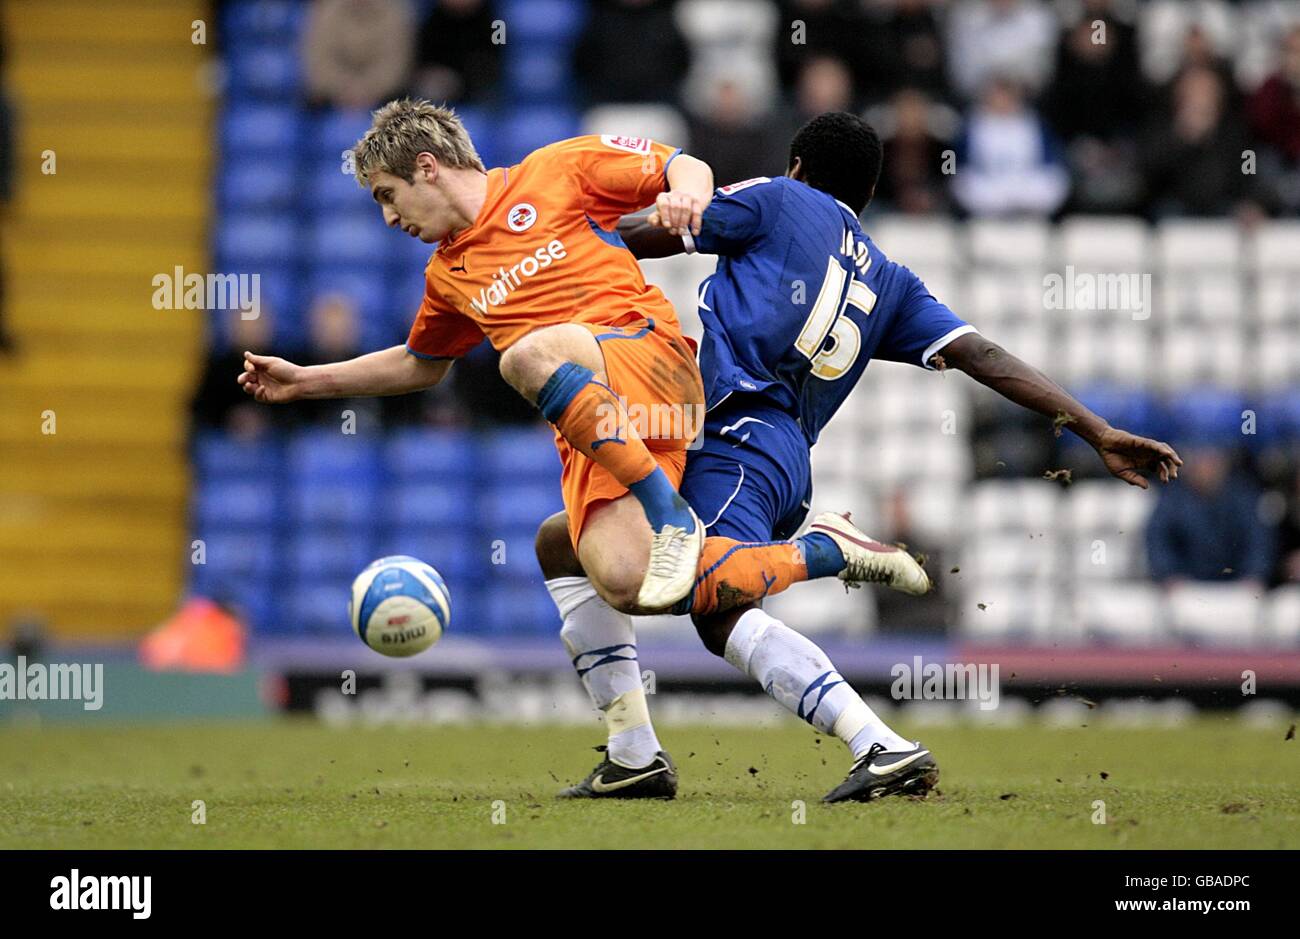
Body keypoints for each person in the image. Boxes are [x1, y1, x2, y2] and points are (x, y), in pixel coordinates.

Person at [534, 112, 1183, 803]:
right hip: (777, 457)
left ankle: (880, 735)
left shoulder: (783, 200)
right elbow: (980, 355)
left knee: (705, 601)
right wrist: (1095, 428)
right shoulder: (893, 281)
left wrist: (570, 250)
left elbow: (658, 231)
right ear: (868, 193)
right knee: (565, 541)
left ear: (796, 166)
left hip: (738, 436)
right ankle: (634, 754)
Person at [237, 100, 925, 629]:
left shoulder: (555, 170)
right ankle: (829, 552)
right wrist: (305, 380)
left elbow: (676, 163)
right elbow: (421, 365)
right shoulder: (447, 275)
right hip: (597, 424)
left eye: (386, 195)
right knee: (631, 585)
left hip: (650, 362)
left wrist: (690, 194)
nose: (389, 218)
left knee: (526, 352)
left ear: (425, 166)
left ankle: (672, 515)